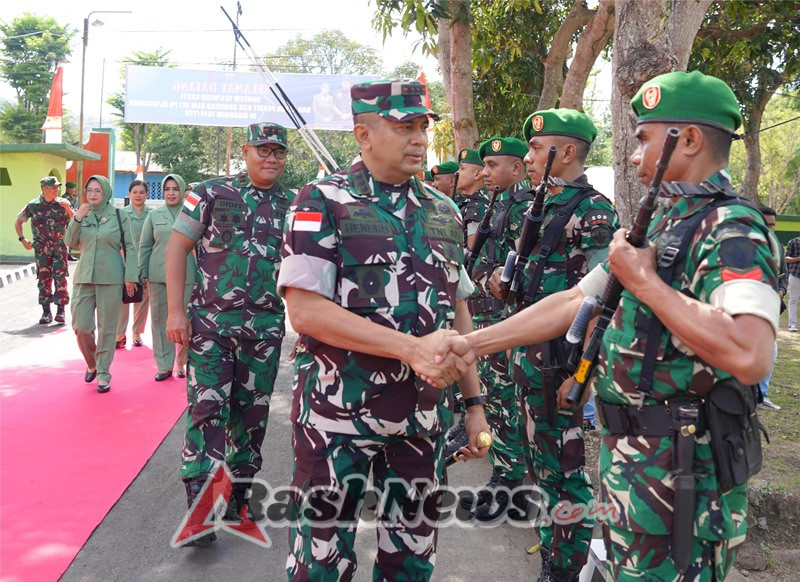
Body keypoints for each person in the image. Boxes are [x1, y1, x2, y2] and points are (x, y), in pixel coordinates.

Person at [438, 71, 780, 581]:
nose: (635, 156)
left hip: (685, 475)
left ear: (687, 140)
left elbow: (751, 353)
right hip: (636, 464)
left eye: (644, 139)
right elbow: (573, 298)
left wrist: (646, 285)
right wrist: (471, 343)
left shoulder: (732, 229)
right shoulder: (667, 223)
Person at [279, 78, 489, 581]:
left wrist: (475, 406)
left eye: (422, 127)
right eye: (403, 128)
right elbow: (305, 311)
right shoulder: (322, 201)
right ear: (363, 134)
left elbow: (457, 313)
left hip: (420, 424)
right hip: (336, 421)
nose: (418, 139)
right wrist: (410, 348)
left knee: (412, 562)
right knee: (320, 562)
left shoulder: (445, 211)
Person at [489, 109, 618, 580]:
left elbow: (604, 302)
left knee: (565, 472)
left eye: (537, 149)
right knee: (544, 465)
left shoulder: (594, 211)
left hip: (561, 361)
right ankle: (552, 550)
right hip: (529, 355)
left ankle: (565, 566)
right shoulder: (538, 205)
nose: (529, 156)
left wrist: (581, 373)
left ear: (565, 152)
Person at [165, 122, 294, 545]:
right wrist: (175, 313)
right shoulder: (210, 192)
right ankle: (201, 509)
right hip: (210, 328)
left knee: (252, 414)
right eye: (263, 149)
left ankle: (238, 492)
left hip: (265, 330)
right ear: (246, 150)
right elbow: (177, 248)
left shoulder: (294, 204)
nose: (270, 157)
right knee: (206, 411)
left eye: (278, 151)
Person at [458, 136, 532, 521]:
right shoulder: (497, 203)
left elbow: (522, 265)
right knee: (496, 399)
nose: (485, 173)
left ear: (516, 168)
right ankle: (506, 476)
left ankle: (512, 484)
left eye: (492, 165)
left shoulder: (524, 207)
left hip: (505, 319)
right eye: (483, 165)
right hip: (485, 314)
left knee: (505, 401)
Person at [65, 175, 139, 393]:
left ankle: (104, 372)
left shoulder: (119, 215)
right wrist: (76, 218)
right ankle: (92, 363)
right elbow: (69, 242)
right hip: (84, 277)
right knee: (81, 327)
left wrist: (130, 277)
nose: (93, 194)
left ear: (105, 192)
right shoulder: (83, 214)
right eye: (89, 190)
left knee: (107, 329)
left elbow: (131, 248)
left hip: (111, 278)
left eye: (98, 190)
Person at [139, 174, 196, 381]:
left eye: (175, 189)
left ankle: (182, 362)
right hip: (158, 274)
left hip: (187, 275)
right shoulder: (154, 216)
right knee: (159, 321)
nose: (171, 193)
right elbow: (145, 245)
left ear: (181, 191)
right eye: (167, 189)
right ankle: (163, 364)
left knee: (186, 320)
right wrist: (142, 272)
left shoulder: (192, 214)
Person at [14, 176, 74, 324]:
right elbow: (18, 222)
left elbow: (75, 220)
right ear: (44, 189)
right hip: (42, 250)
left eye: (57, 187)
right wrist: (22, 239)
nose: (56, 189)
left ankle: (61, 310)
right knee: (43, 279)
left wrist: (67, 207)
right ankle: (46, 312)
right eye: (53, 187)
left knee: (60, 279)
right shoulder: (33, 205)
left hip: (60, 248)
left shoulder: (62, 204)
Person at [116, 180, 151, 349]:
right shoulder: (121, 214)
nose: (138, 195)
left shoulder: (152, 215)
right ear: (129, 194)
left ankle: (137, 332)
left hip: (145, 262)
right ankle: (120, 334)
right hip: (123, 262)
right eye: (135, 192)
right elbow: (117, 240)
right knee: (122, 298)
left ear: (146, 195)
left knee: (143, 299)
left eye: (141, 192)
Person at [756, 207, 785, 410]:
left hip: (770, 306)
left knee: (771, 351)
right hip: (747, 308)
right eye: (765, 224)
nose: (769, 228)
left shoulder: (778, 248)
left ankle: (761, 395)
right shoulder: (744, 245)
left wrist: (780, 293)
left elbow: (783, 276)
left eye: (772, 224)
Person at [454, 147, 489, 250]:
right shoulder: (464, 202)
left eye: (462, 168)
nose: (457, 173)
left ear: (477, 174)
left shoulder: (477, 206)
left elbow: (471, 252)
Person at [787, 234, 800, 332]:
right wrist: (798, 258)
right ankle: (792, 324)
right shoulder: (793, 242)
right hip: (795, 275)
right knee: (793, 300)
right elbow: (786, 259)